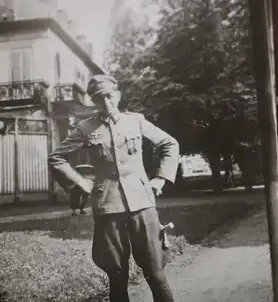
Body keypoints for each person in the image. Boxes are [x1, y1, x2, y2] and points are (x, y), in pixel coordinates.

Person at [48, 74, 180, 302]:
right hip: (108, 208)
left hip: (142, 206)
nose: (106, 103)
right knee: (117, 275)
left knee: (155, 272)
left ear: (118, 96)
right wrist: (81, 182)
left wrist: (160, 178)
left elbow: (169, 143)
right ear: (93, 102)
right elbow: (56, 158)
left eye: (109, 96)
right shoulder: (86, 128)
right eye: (99, 99)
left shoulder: (135, 121)